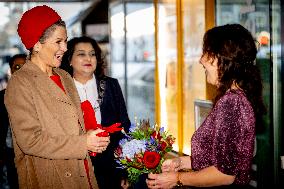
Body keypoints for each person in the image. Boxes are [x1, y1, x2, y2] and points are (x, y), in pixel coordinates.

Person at [146, 24, 266, 189]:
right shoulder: (235, 98)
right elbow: (218, 159)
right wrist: (181, 162)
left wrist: (177, 178)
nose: (200, 59)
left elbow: (224, 174)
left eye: (206, 52)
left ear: (223, 57)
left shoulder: (232, 103)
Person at [4, 5, 110, 189]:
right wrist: (83, 142)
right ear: (37, 44)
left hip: (82, 172)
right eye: (58, 41)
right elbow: (31, 141)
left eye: (66, 41)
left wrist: (93, 138)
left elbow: (75, 127)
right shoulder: (20, 83)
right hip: (51, 177)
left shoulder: (64, 76)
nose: (65, 47)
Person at [60, 36, 131, 189]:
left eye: (92, 54)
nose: (88, 58)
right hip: (76, 162)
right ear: (70, 60)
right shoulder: (62, 90)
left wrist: (125, 170)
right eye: (81, 54)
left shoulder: (110, 84)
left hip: (109, 163)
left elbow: (124, 125)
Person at [0, 53, 26, 189]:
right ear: (11, 71)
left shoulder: (40, 96)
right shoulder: (2, 97)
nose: (21, 70)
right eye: (17, 67)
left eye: (25, 66)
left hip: (34, 154)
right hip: (10, 154)